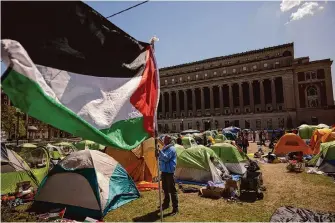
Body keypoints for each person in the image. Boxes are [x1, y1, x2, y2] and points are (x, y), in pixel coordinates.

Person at [158, 135, 179, 215]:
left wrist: (160, 152)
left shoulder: (172, 149)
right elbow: (161, 158)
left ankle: (175, 208)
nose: (164, 140)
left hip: (169, 172)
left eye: (166, 139)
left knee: (172, 190)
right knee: (165, 189)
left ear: (169, 140)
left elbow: (166, 158)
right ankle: (166, 204)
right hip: (164, 171)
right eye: (164, 139)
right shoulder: (164, 148)